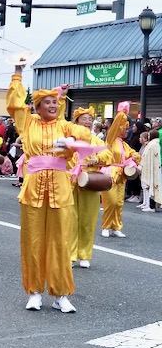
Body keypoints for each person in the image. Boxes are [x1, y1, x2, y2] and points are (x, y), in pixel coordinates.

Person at [7, 64, 92, 313]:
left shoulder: (64, 126)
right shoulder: (28, 123)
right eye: (47, 103)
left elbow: (81, 132)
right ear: (37, 106)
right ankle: (34, 292)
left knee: (60, 242)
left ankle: (60, 294)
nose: (53, 106)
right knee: (33, 241)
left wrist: (80, 140)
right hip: (33, 190)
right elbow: (13, 103)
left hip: (60, 190)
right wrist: (17, 74)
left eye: (55, 102)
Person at [68, 107, 113, 269]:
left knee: (88, 220)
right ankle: (70, 255)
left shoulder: (96, 140)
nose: (87, 121)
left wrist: (97, 158)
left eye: (89, 119)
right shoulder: (70, 139)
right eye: (84, 118)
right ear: (76, 121)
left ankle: (84, 254)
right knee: (70, 220)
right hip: (71, 182)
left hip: (91, 182)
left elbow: (108, 155)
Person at [100, 103, 141, 238]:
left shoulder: (124, 144)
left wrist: (135, 156)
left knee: (118, 203)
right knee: (110, 201)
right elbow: (115, 126)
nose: (127, 130)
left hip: (121, 175)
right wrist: (122, 114)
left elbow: (134, 154)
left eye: (128, 128)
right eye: (124, 127)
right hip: (110, 174)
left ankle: (116, 226)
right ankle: (106, 226)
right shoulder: (111, 140)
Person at [138, 130, 162, 212]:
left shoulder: (152, 144)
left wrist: (141, 165)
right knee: (148, 186)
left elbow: (146, 156)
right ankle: (148, 204)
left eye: (148, 135)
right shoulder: (153, 144)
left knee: (150, 186)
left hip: (151, 168)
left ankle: (151, 206)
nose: (148, 137)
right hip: (151, 168)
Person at [125, 121, 147, 203]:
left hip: (136, 159)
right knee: (132, 178)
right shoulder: (134, 136)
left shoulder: (138, 137)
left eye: (134, 127)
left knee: (136, 178)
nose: (132, 128)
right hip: (132, 159)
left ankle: (137, 194)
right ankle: (133, 194)